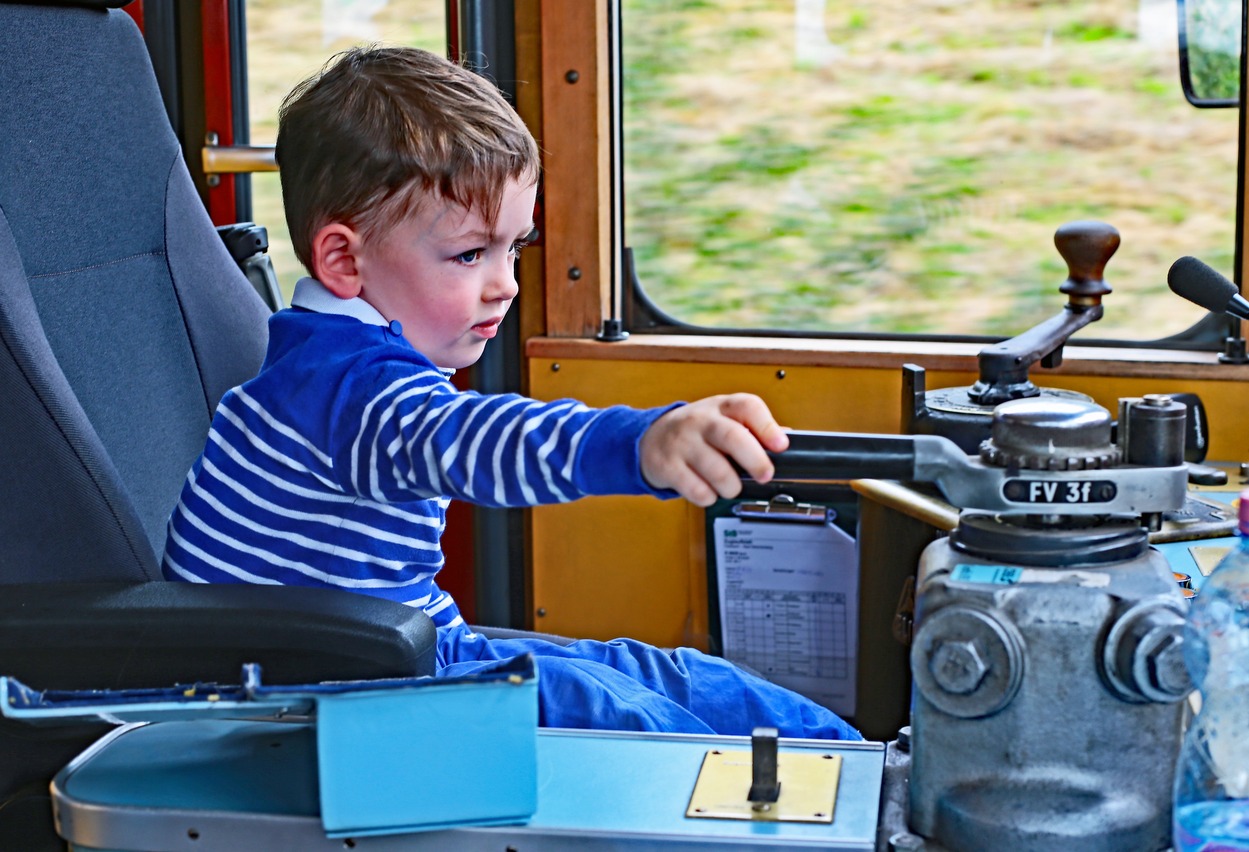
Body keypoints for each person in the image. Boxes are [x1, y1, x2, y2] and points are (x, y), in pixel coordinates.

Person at [162, 45, 860, 741]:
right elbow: (472, 440)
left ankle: (863, 770)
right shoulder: (347, 390)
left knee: (678, 679)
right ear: (344, 259)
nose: (505, 284)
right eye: (470, 254)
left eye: (513, 249)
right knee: (631, 719)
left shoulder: (332, 357)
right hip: (338, 695)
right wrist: (640, 444)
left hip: (397, 650)